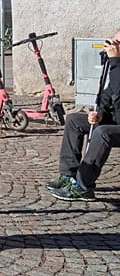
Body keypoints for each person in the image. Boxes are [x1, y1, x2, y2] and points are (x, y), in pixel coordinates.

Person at [46, 32, 120, 201]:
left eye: (117, 43)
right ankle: (68, 175)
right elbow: (107, 95)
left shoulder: (117, 66)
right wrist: (100, 114)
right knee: (74, 120)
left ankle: (83, 186)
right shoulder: (116, 67)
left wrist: (116, 62)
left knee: (103, 133)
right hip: (115, 120)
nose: (112, 46)